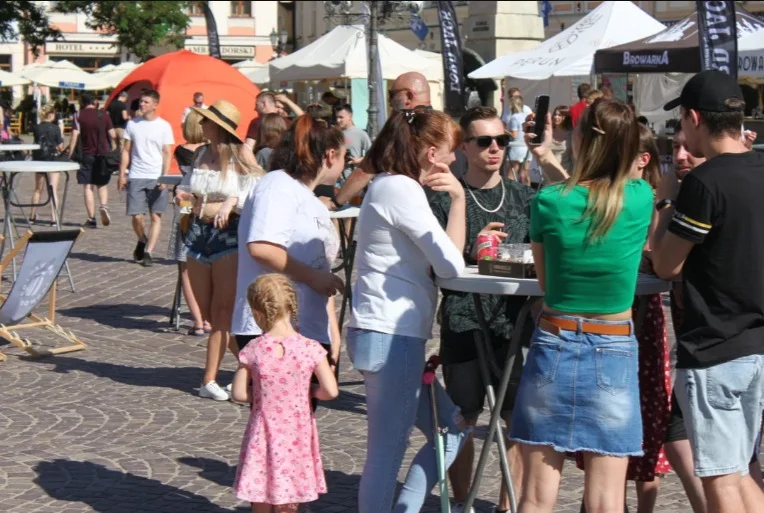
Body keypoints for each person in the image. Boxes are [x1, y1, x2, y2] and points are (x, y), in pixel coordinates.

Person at [510, 98, 653, 513]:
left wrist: (547, 157)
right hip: (613, 347)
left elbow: (545, 281)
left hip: (554, 339)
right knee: (607, 499)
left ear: (580, 140)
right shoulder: (641, 197)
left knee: (536, 497)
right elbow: (600, 196)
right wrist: (550, 157)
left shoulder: (548, 202)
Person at [652, 70, 764, 513]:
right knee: (738, 473)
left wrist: (665, 201)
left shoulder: (703, 183)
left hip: (714, 348)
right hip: (756, 345)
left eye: (680, 123)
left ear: (694, 117)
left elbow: (667, 264)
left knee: (721, 481)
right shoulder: (759, 169)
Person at [346, 108, 469, 512]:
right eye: (451, 151)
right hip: (390, 336)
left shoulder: (389, 185)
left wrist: (454, 198)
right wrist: (458, 199)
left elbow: (445, 263)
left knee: (453, 425)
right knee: (387, 452)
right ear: (432, 153)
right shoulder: (400, 188)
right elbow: (451, 265)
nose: (454, 159)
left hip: (386, 333)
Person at [429, 106, 534, 513]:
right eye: (485, 141)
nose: (495, 148)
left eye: (502, 141)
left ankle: (509, 504)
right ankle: (461, 504)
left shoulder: (525, 196)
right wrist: (473, 250)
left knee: (517, 421)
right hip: (463, 320)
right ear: (465, 147)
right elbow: (439, 260)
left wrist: (500, 253)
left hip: (514, 321)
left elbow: (539, 253)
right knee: (461, 418)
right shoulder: (445, 196)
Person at [230, 115, 345, 395]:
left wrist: (331, 331)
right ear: (330, 156)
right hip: (273, 326)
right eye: (344, 156)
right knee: (279, 421)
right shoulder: (277, 186)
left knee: (300, 422)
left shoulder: (308, 197)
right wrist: (315, 279)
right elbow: (263, 247)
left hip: (307, 326)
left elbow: (320, 268)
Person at [231, 273, 338, 512]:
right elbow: (330, 391)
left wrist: (261, 397)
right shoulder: (311, 349)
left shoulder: (254, 349)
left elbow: (238, 393)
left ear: (257, 311)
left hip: (263, 432)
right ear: (292, 306)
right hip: (296, 434)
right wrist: (309, 392)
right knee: (290, 497)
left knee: (261, 493)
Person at [179, 100, 263, 401]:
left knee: (223, 311)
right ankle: (255, 370)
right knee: (210, 316)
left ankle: (209, 379)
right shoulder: (201, 153)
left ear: (219, 127)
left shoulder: (241, 155)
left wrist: (230, 202)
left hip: (228, 234)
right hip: (198, 231)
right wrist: (183, 193)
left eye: (207, 122)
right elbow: (188, 184)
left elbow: (255, 188)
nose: (202, 125)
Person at [335, 71, 432, 206]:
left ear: (408, 97)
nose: (390, 102)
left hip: (408, 204)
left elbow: (365, 170)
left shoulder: (399, 125)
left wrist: (336, 202)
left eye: (392, 95)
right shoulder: (444, 123)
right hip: (443, 203)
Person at [118, 89, 174, 267]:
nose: (142, 104)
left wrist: (164, 177)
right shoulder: (133, 124)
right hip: (136, 174)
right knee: (136, 216)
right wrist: (122, 173)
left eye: (146, 102)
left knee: (156, 216)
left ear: (155, 105)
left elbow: (167, 152)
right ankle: (142, 238)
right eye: (141, 101)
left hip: (156, 176)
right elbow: (126, 149)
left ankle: (149, 251)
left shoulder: (164, 126)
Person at [167, 110, 209, 338]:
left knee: (185, 266)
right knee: (204, 263)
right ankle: (208, 317)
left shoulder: (182, 151)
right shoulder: (211, 152)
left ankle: (198, 320)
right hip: (206, 202)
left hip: (184, 201)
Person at [69, 93, 117, 229]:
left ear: (82, 102)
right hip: (103, 154)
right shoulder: (104, 115)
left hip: (86, 154)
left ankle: (91, 218)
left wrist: (71, 152)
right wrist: (113, 149)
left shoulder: (78, 115)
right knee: (102, 184)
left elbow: (74, 135)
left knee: (88, 186)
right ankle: (104, 206)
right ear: (95, 102)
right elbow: (112, 135)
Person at [30, 104, 64, 224]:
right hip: (53, 158)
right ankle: (54, 218)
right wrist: (62, 131)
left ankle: (32, 216)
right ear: (51, 114)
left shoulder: (36, 128)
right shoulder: (55, 128)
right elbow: (60, 147)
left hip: (39, 158)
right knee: (53, 188)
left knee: (38, 189)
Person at [333, 103, 371, 177]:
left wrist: (358, 160)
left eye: (341, 117)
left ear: (350, 117)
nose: (338, 120)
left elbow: (372, 155)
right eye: (337, 117)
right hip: (338, 178)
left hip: (354, 177)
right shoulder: (336, 134)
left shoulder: (361, 133)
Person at [551, 105, 573, 174]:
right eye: (555, 114)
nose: (556, 117)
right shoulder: (548, 132)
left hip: (565, 172)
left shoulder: (571, 134)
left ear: (566, 117)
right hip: (548, 171)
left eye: (560, 115)